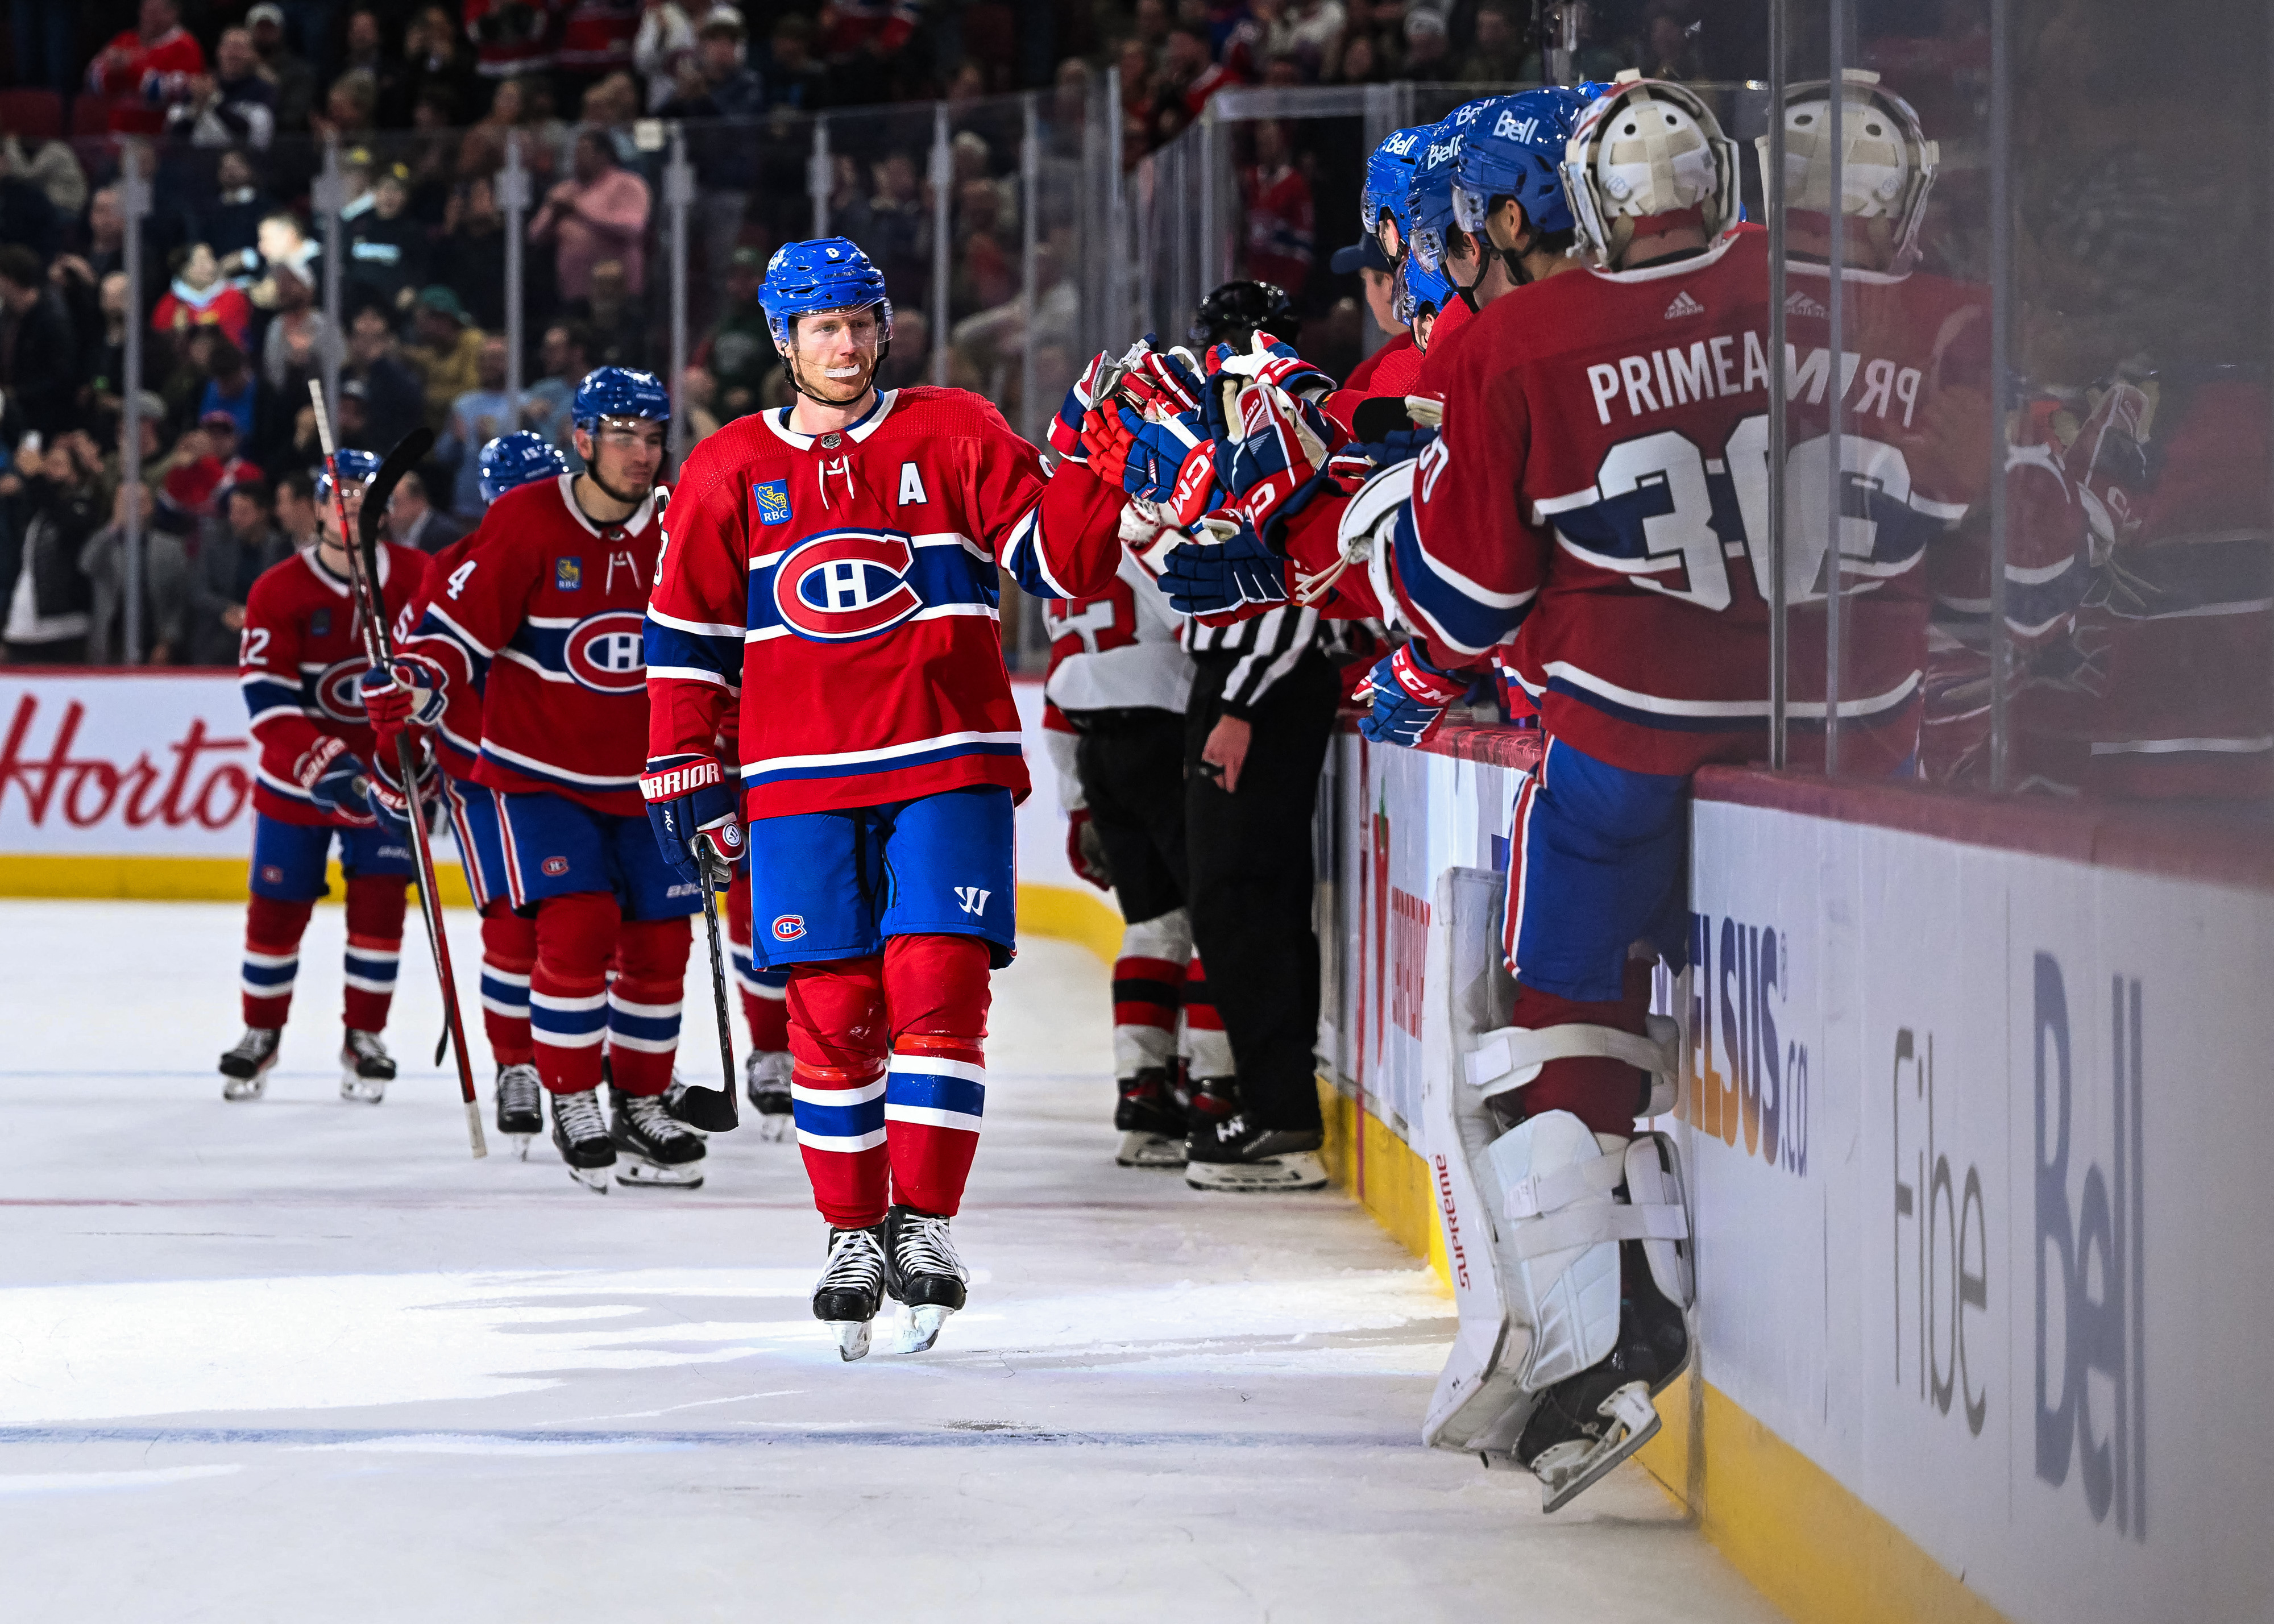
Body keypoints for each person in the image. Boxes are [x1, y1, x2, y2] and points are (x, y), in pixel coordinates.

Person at [1359, 70, 1755, 1511]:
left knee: (1540, 1017)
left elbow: (1463, 598)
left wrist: (1394, 576)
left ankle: (1603, 1334)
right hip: (1826, 722)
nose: (1452, 252)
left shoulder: (1521, 343)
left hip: (1622, 727)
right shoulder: (1807, 293)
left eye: (1468, 225)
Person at [639, 238, 1123, 1358]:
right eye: (823, 328)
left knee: (937, 983)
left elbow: (1063, 564)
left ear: (883, 325)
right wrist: (682, 757)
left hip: (944, 753)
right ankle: (852, 1230)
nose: (846, 344)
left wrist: (1098, 472)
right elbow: (684, 638)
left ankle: (927, 1222)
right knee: (832, 1010)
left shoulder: (953, 430)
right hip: (796, 778)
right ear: (783, 341)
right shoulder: (723, 471)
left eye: (860, 321)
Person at [367, 367, 708, 1190]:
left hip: (653, 779)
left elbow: (720, 635)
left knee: (662, 947)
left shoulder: (678, 525)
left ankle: (641, 1097)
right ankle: (571, 1093)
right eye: (623, 436)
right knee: (578, 925)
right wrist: (417, 679)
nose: (642, 453)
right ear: (583, 440)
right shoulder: (525, 521)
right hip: (539, 775)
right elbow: (457, 632)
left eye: (654, 436)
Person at [359, 429, 566, 1152]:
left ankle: (600, 1066)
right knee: (512, 923)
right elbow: (418, 679)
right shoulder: (453, 570)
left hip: (577, 773)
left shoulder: (602, 555)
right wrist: (403, 755)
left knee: (601, 924)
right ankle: (516, 1063)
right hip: (482, 773)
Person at [218, 448, 429, 1102]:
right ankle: (261, 1033)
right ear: (315, 508)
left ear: (389, 509)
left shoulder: (422, 579)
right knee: (276, 910)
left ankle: (364, 1036)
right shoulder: (278, 590)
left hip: (387, 783)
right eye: (339, 497)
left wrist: (424, 762)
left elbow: (449, 677)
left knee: (380, 910)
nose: (353, 509)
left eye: (368, 499)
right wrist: (326, 766)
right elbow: (269, 705)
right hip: (298, 785)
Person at [529, 129, 653, 306]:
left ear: (603, 155)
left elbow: (633, 227)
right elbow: (535, 235)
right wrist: (554, 217)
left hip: (617, 292)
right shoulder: (564, 191)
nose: (577, 158)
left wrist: (579, 211)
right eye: (576, 152)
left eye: (584, 152)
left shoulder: (628, 184)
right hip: (573, 292)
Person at [187, 477, 292, 665]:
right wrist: (227, 609)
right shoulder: (215, 543)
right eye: (233, 511)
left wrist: (252, 614)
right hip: (218, 637)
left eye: (243, 513)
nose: (234, 519)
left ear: (262, 513)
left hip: (266, 636)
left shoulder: (281, 549)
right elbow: (198, 591)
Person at [85, 0, 207, 137]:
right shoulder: (125, 40)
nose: (147, 17)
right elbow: (93, 82)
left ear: (173, 13)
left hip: (161, 140)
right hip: (117, 135)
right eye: (145, 11)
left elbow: (178, 93)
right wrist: (112, 73)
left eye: (155, 12)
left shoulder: (186, 46)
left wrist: (130, 68)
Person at [386, 469, 471, 553]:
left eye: (395, 502)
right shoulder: (392, 531)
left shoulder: (444, 534)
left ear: (418, 501)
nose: (389, 511)